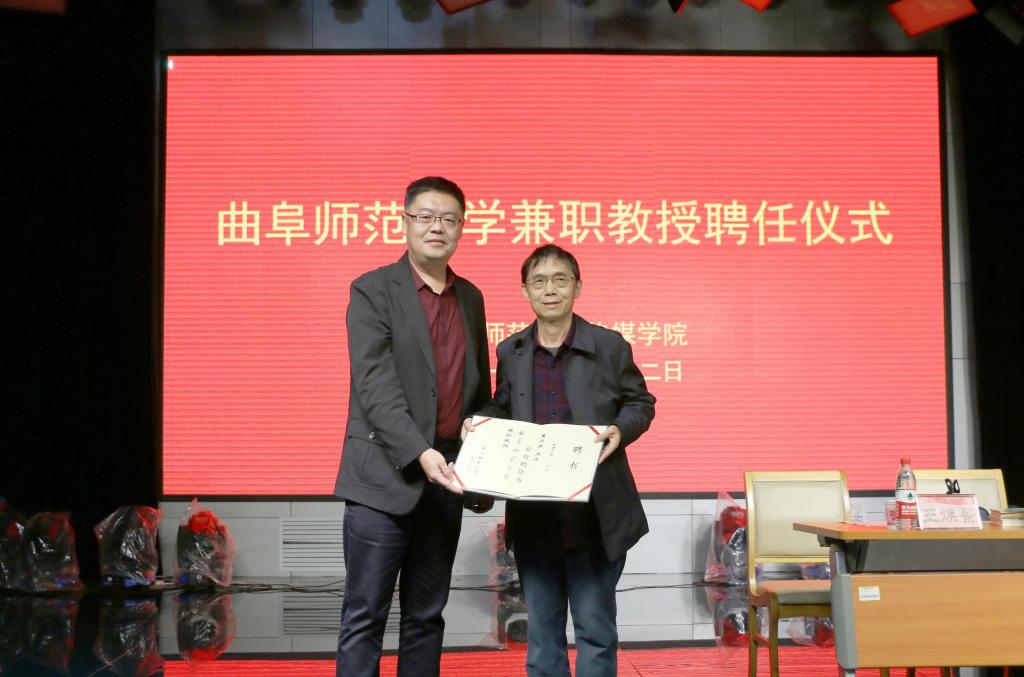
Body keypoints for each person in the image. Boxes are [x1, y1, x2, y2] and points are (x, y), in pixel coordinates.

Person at [466, 244, 655, 677]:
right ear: (525, 291)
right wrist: (478, 424)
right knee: (542, 635)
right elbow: (502, 407)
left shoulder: (609, 345)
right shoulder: (511, 351)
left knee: (596, 632)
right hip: (535, 518)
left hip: (595, 516)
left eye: (560, 280)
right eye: (539, 281)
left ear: (577, 287)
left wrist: (620, 429)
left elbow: (640, 402)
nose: (549, 290)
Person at [334, 176, 493, 677]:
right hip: (383, 479)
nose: (436, 227)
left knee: (426, 617)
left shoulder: (471, 298)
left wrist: (482, 441)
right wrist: (420, 453)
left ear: (462, 227)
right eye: (425, 216)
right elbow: (374, 386)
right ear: (404, 222)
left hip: (444, 484)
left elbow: (479, 391)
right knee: (365, 618)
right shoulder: (373, 289)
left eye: (448, 219)